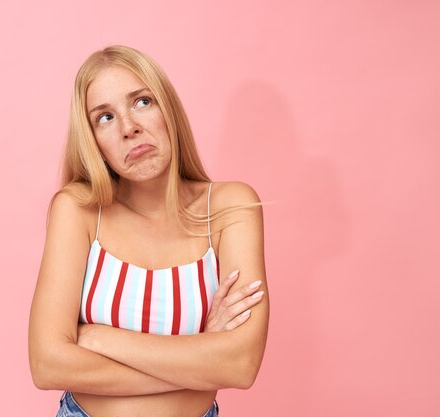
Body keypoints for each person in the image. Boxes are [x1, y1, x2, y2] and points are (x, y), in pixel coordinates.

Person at [28, 45, 270, 417]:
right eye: (105, 117)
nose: (129, 128)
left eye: (142, 102)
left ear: (167, 108)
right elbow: (48, 365)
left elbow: (240, 365)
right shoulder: (78, 209)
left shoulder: (229, 207)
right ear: (93, 141)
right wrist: (202, 356)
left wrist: (97, 337)